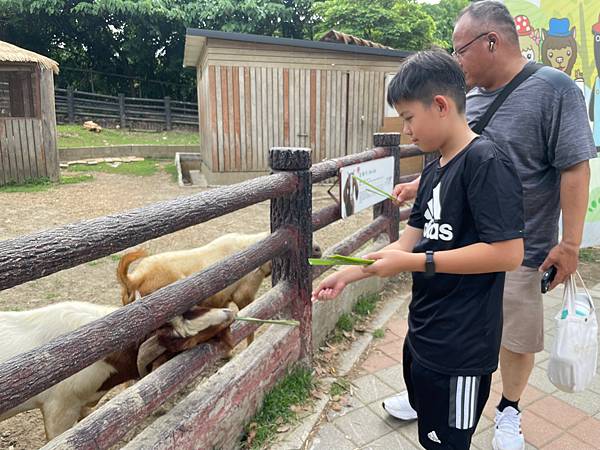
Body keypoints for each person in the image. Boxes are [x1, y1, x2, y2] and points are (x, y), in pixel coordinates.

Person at [382, 2, 596, 450]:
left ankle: (509, 409)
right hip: (457, 243)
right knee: (456, 328)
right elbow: (454, 156)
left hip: (521, 243)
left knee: (515, 336)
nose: (457, 62)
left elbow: (575, 168)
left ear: (491, 42)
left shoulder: (555, 90)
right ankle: (431, 396)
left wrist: (570, 242)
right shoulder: (468, 97)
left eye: (460, 51)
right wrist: (420, 184)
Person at [312, 49, 525, 450]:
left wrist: (414, 261)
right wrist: (348, 272)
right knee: (431, 436)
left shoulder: (486, 162)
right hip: (424, 335)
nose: (407, 130)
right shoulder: (434, 166)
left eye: (409, 118)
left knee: (449, 444)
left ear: (440, 105)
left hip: (462, 348)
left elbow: (508, 253)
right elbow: (408, 241)